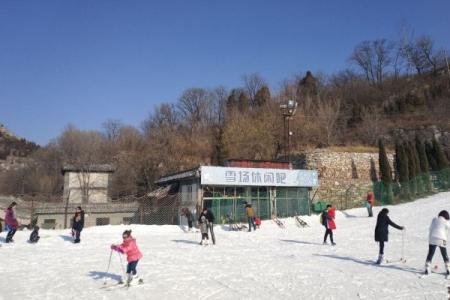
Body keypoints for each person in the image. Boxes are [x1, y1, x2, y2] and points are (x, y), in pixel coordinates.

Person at [424, 210, 450, 275]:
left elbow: (430, 228)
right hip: (442, 239)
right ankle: (448, 269)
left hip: (432, 238)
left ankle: (427, 267)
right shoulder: (446, 222)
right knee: (444, 254)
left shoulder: (434, 220)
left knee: (430, 254)